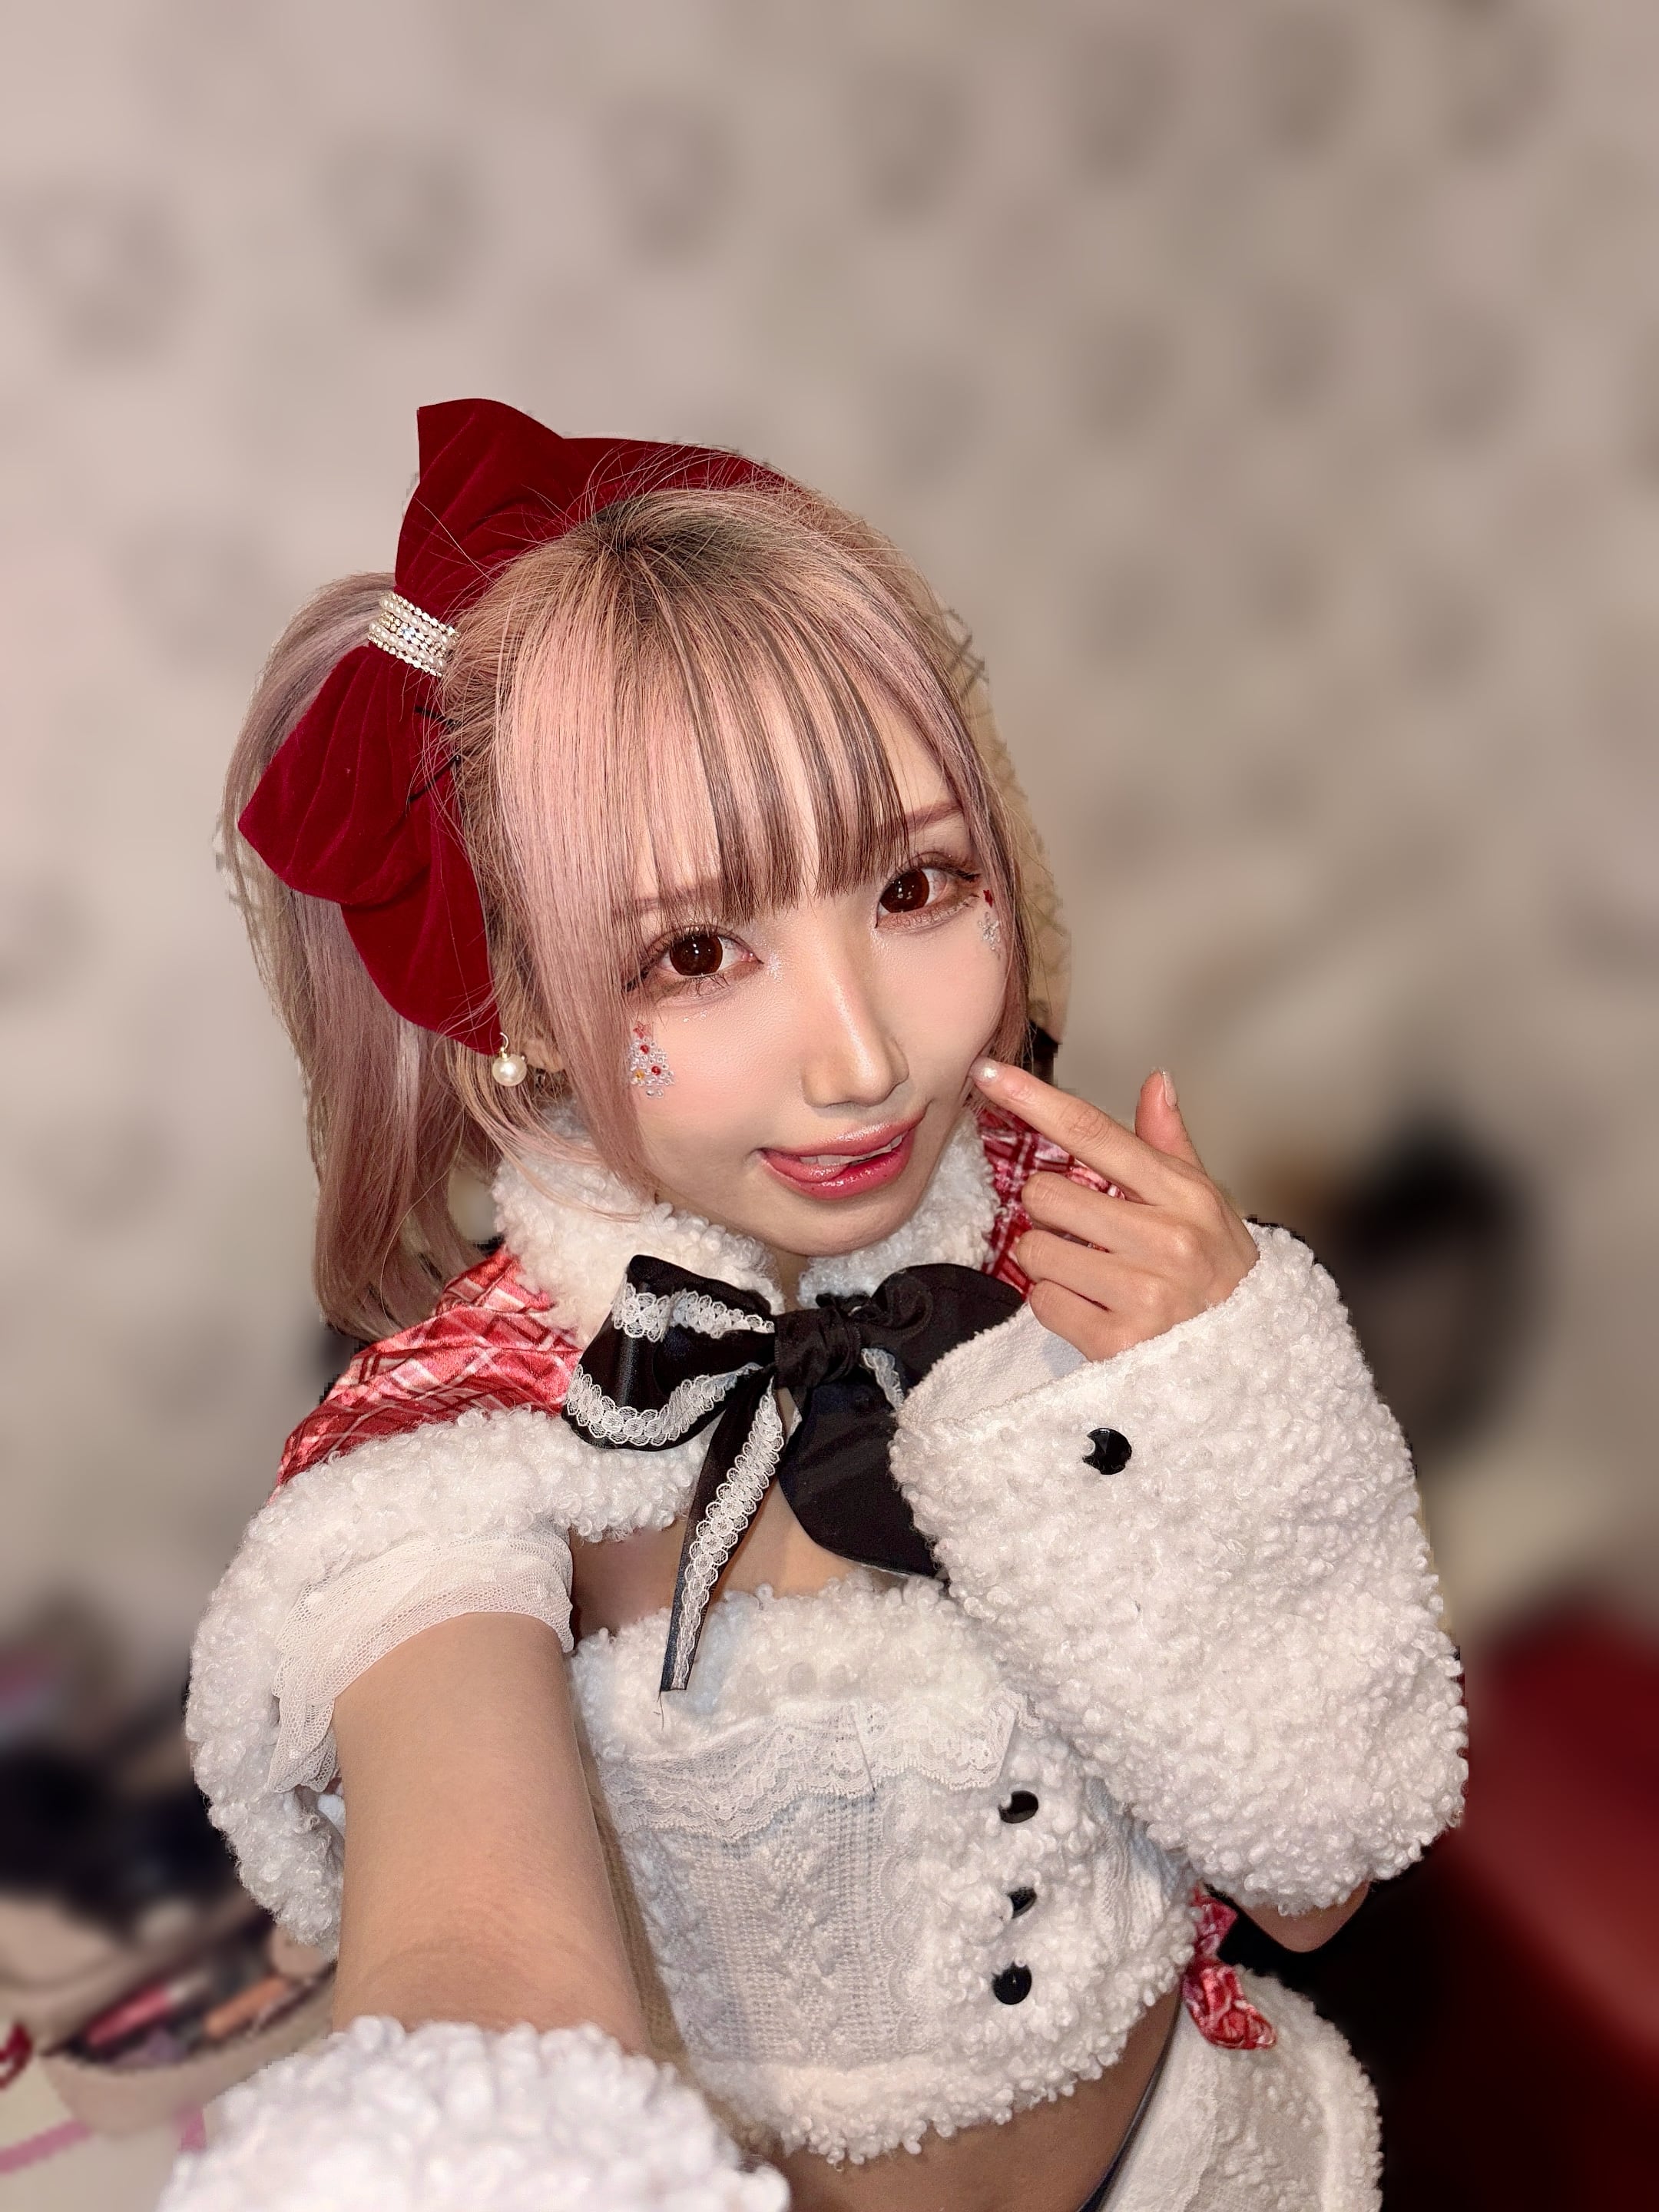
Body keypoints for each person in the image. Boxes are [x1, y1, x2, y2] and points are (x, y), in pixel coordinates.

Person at [161, 399, 1465, 2212]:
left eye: (916, 885)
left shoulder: (1100, 1258)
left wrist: (1222, 1387)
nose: (863, 1058)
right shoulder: (455, 1448)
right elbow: (478, 1963)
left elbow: (1321, 1874)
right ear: (517, 998)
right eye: (698, 952)